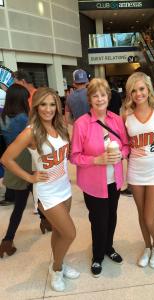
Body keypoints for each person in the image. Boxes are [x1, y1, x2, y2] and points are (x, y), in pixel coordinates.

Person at [1, 87, 79, 292]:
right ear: (35, 106)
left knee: (60, 233)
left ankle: (60, 263)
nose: (48, 109)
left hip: (64, 187)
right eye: (43, 104)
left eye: (52, 104)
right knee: (70, 233)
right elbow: (6, 159)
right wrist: (30, 177)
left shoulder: (60, 125)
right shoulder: (31, 132)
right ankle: (56, 268)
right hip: (47, 192)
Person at [70, 78, 129, 277]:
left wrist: (122, 154)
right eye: (95, 95)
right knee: (98, 220)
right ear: (89, 99)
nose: (99, 99)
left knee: (112, 217)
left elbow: (126, 146)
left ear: (108, 97)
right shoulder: (82, 124)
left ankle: (108, 248)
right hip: (94, 184)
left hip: (115, 181)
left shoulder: (116, 120)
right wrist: (97, 160)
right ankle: (97, 256)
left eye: (103, 95)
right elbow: (74, 156)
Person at [124, 72, 154, 269]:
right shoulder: (126, 115)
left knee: (150, 218)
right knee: (142, 215)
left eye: (141, 89)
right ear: (129, 93)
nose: (138, 93)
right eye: (134, 90)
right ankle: (147, 247)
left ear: (148, 89)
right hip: (135, 171)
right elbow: (123, 144)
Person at [0, 84, 32, 257]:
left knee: (21, 204)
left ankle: (7, 240)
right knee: (37, 196)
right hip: (27, 161)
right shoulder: (23, 118)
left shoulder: (3, 117)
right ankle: (7, 239)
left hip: (12, 162)